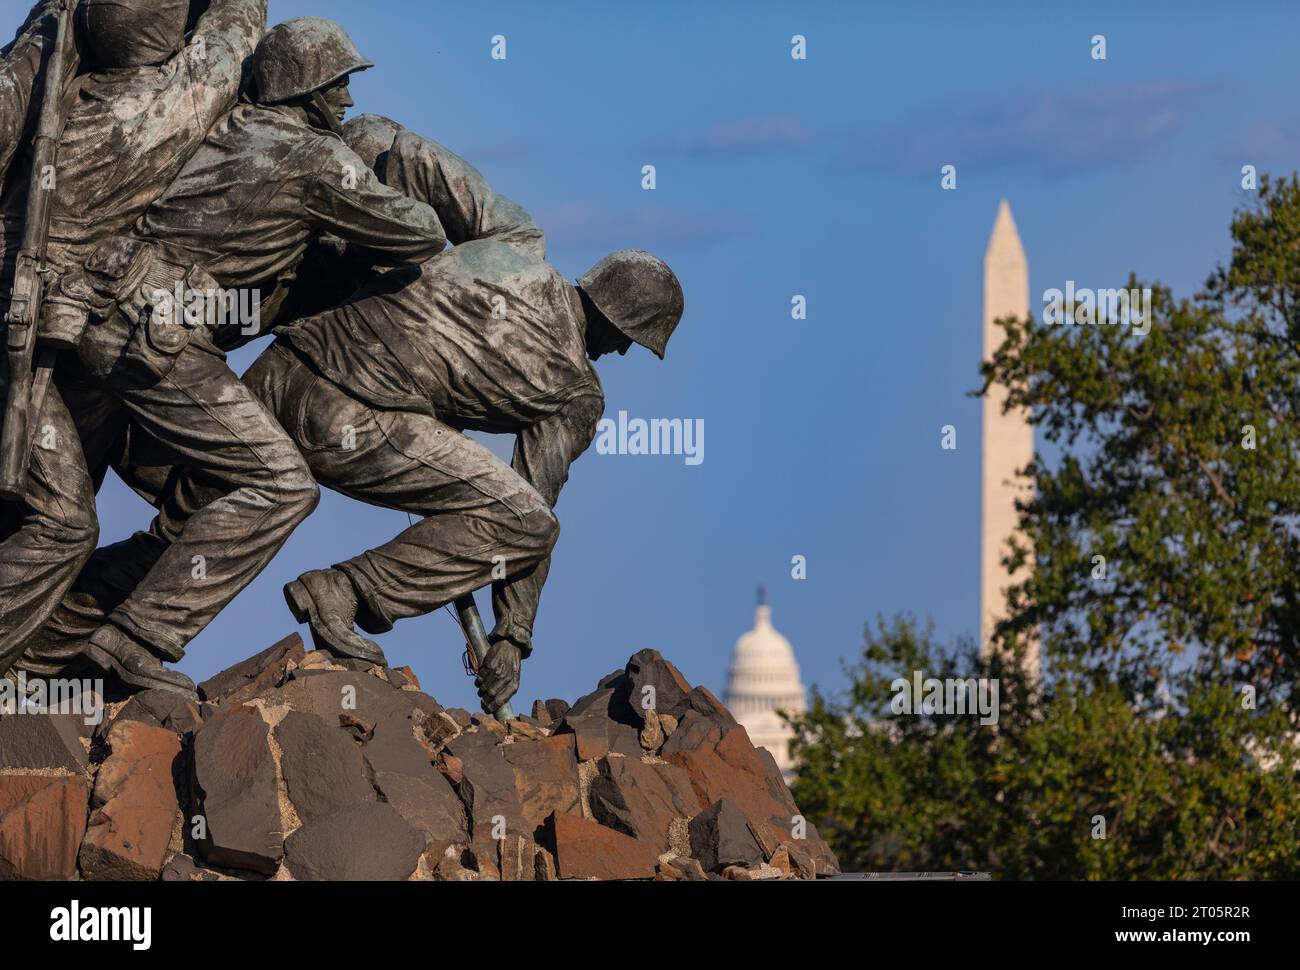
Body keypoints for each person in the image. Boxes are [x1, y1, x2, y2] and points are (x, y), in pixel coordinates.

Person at [11, 18, 446, 697]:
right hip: (158, 341)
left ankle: (39, 661)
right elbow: (418, 233)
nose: (348, 104)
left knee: (126, 508)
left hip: (96, 323)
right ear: (307, 89)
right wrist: (367, 166)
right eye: (340, 88)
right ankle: (136, 636)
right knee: (280, 487)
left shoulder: (222, 131)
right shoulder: (315, 160)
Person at [0, 0, 267, 688]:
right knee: (61, 524)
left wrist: (43, 26)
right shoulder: (163, 110)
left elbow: (17, 73)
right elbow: (231, 37)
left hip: (25, 324)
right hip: (27, 338)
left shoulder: (37, 97)